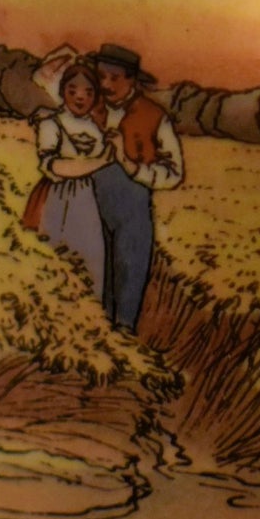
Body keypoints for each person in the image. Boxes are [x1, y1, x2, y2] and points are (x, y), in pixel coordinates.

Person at [89, 43, 184, 334]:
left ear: (132, 80)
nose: (105, 84)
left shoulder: (155, 116)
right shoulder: (85, 103)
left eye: (114, 78)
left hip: (133, 205)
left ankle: (124, 337)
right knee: (93, 273)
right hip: (89, 202)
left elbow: (174, 172)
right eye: (102, 76)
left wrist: (134, 169)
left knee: (129, 272)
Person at [22, 58, 111, 293]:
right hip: (56, 198)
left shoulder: (96, 129)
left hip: (90, 203)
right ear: (63, 92)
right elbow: (53, 166)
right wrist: (98, 162)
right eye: (73, 91)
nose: (80, 97)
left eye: (88, 92)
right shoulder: (51, 123)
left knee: (91, 263)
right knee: (53, 261)